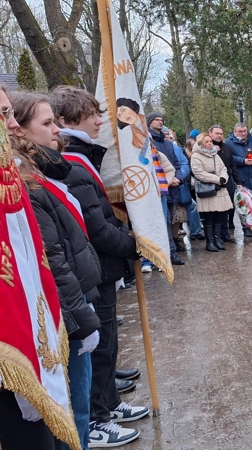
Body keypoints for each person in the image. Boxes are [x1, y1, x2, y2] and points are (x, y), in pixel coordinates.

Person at [48, 86, 149, 447]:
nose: (99, 120)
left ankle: (108, 402)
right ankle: (97, 416)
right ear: (65, 121)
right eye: (90, 114)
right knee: (99, 346)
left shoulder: (81, 158)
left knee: (107, 343)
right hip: (97, 267)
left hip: (102, 268)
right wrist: (134, 245)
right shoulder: (73, 165)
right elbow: (96, 227)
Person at [8, 90, 104, 450]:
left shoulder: (37, 173)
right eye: (46, 123)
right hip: (64, 313)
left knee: (76, 408)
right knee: (72, 411)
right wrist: (81, 316)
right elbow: (53, 257)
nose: (56, 132)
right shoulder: (25, 185)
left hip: (76, 301)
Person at [145, 112, 184, 265]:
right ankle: (162, 254)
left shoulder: (168, 144)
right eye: (156, 119)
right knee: (160, 223)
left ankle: (172, 252)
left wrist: (178, 178)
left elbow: (175, 164)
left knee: (170, 222)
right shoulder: (146, 143)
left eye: (162, 120)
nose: (160, 122)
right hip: (154, 191)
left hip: (169, 189)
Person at [191, 133, 233, 252]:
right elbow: (199, 173)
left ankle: (217, 239)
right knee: (209, 217)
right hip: (207, 190)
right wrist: (217, 179)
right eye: (207, 142)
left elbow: (224, 168)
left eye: (210, 141)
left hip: (220, 189)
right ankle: (209, 242)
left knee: (218, 215)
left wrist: (223, 178)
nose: (210, 143)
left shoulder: (215, 155)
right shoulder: (196, 156)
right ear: (200, 144)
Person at [225, 123, 252, 237]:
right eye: (240, 131)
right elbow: (229, 158)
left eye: (245, 131)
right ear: (235, 132)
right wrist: (242, 161)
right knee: (244, 204)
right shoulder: (229, 143)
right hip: (241, 176)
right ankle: (246, 227)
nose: (244, 133)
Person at [209, 125, 241, 240]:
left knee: (227, 207)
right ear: (210, 134)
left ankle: (225, 233)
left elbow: (232, 165)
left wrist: (238, 181)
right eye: (216, 133)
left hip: (227, 181)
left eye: (221, 134)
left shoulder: (227, 147)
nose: (219, 136)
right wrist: (212, 151)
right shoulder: (206, 147)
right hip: (212, 182)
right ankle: (214, 235)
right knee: (215, 210)